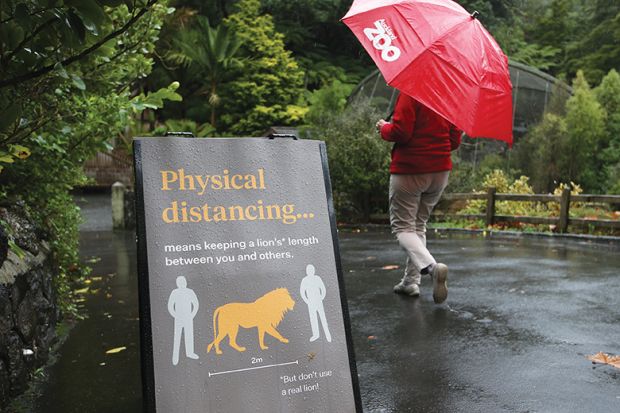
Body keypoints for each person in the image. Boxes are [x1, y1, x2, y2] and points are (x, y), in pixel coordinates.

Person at [376, 94, 461, 303]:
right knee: (418, 226)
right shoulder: (450, 94)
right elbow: (454, 140)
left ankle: (432, 268)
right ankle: (410, 282)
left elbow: (401, 132)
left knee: (403, 228)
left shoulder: (411, 92)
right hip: (440, 171)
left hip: (410, 169)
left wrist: (384, 127)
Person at [168, 276, 200, 365]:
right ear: (177, 283)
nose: (182, 283)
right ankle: (175, 356)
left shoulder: (190, 292)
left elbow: (196, 304)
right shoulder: (174, 292)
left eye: (183, 281)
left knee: (189, 335)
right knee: (177, 336)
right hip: (178, 318)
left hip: (188, 317)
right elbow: (170, 305)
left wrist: (192, 315)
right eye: (180, 282)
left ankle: (190, 353)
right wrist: (175, 315)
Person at [300, 264, 332, 342]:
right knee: (313, 318)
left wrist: (321, 297)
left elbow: (323, 288)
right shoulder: (304, 280)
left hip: (319, 301)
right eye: (309, 270)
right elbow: (302, 291)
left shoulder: (317, 278)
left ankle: (328, 335)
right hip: (310, 302)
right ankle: (316, 335)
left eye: (312, 270)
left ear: (314, 271)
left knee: (323, 317)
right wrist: (306, 301)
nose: (310, 271)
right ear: (307, 272)